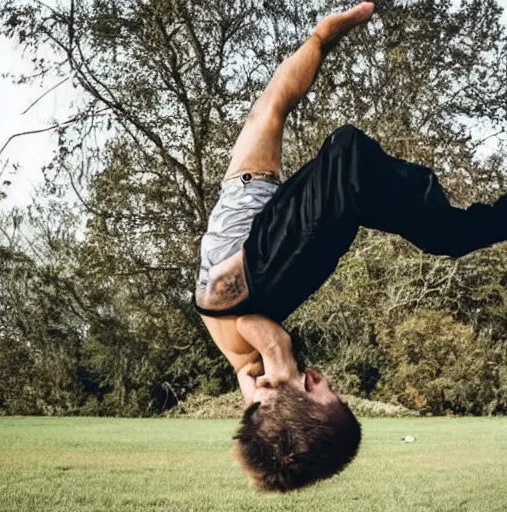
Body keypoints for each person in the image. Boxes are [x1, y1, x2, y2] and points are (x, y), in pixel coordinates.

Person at [194, 1, 507, 492]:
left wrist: (279, 361)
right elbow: (250, 375)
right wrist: (319, 41)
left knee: (355, 170)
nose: (325, 382)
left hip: (241, 256)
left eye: (327, 396)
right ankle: (319, 38)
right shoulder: (249, 367)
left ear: (312, 390)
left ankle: (350, 167)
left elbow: (228, 308)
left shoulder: (252, 338)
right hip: (247, 199)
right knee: (271, 106)